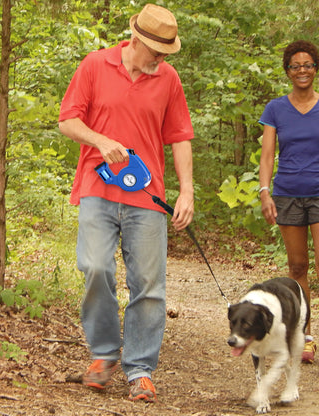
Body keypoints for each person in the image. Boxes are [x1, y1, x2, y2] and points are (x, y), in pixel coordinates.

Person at [58, 4, 194, 402]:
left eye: (167, 53)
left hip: (147, 197)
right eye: (157, 51)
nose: (161, 59)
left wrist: (186, 191)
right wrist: (100, 140)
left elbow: (180, 136)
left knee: (149, 286)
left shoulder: (168, 79)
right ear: (136, 40)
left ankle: (140, 369)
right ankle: (103, 355)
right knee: (95, 266)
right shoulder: (95, 66)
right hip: (97, 188)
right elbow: (67, 121)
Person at [258, 40, 319, 368]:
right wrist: (264, 191)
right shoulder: (275, 109)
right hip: (287, 194)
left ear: (316, 68)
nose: (302, 70)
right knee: (298, 267)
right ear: (288, 71)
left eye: (308, 65)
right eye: (295, 66)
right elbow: (268, 154)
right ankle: (307, 337)